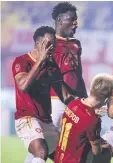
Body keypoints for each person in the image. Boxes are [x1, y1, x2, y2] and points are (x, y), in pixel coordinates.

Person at [13, 26, 73, 163]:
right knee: (41, 151)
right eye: (49, 44)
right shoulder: (21, 61)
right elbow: (23, 86)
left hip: (46, 121)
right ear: (39, 44)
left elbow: (65, 96)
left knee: (68, 158)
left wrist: (89, 104)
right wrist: (40, 61)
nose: (53, 48)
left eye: (55, 45)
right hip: (26, 118)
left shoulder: (51, 66)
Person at [54, 73, 113, 163]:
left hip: (59, 158)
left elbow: (66, 124)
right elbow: (96, 151)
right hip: (73, 161)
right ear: (107, 100)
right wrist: (101, 142)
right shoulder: (93, 120)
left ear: (92, 89)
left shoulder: (73, 103)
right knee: (106, 151)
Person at [50, 2, 88, 130]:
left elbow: (78, 75)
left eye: (76, 20)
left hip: (75, 100)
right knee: (47, 143)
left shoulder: (76, 44)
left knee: (74, 142)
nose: (75, 23)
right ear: (60, 21)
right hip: (54, 100)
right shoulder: (48, 44)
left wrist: (85, 99)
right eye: (71, 19)